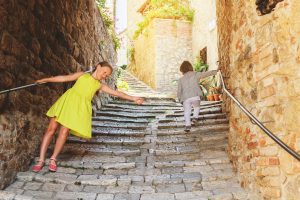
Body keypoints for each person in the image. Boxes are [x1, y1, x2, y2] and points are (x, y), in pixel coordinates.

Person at [32, 61, 144, 172]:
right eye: (104, 72)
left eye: (107, 75)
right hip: (66, 102)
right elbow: (63, 78)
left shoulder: (99, 85)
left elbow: (117, 93)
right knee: (51, 130)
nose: (104, 76)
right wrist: (46, 79)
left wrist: (134, 98)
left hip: (77, 109)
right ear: (98, 67)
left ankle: (53, 158)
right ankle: (41, 160)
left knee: (64, 132)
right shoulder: (82, 75)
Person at [177, 61, 219, 132]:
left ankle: (187, 125)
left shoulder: (181, 79)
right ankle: (195, 117)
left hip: (185, 98)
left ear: (182, 69)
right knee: (197, 107)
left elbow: (179, 91)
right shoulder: (195, 74)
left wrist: (179, 99)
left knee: (187, 112)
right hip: (195, 95)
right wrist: (216, 70)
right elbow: (206, 74)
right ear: (190, 67)